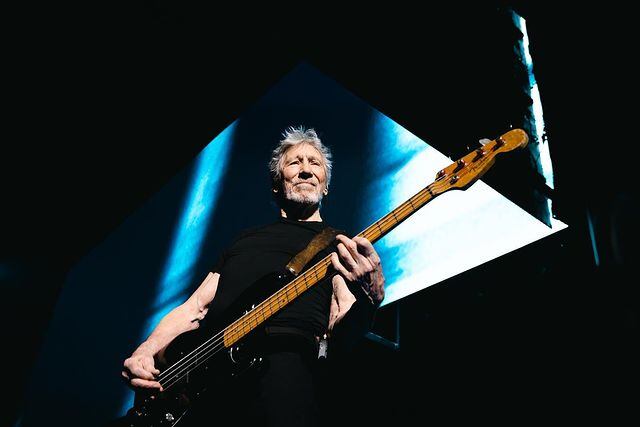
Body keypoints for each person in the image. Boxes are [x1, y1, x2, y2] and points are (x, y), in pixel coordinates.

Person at [121, 126, 386, 426]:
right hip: (210, 390)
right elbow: (194, 309)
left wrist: (371, 301)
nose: (305, 170)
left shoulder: (339, 244)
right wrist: (145, 351)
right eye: (295, 162)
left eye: (314, 163)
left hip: (284, 380)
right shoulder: (244, 241)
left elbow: (341, 325)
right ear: (276, 184)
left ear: (325, 185)